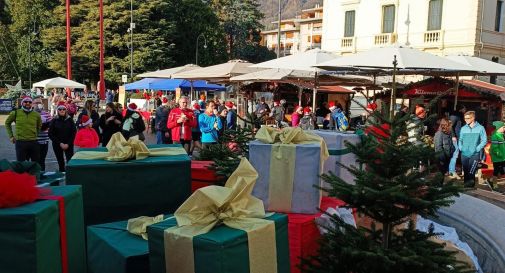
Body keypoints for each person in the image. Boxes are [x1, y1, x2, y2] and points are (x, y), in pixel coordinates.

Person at [5, 96, 42, 162]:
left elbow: (39, 125)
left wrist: (35, 134)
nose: (27, 103)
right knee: (21, 164)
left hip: (33, 141)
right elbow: (7, 123)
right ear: (22, 103)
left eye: (30, 102)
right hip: (20, 142)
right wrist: (11, 136)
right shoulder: (15, 113)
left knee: (35, 163)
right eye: (25, 102)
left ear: (32, 104)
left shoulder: (36, 114)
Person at [458, 111, 487, 187]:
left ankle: (470, 188)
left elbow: (484, 140)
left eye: (467, 118)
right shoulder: (463, 128)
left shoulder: (480, 128)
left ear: (473, 118)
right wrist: (461, 148)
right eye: (465, 118)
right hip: (464, 154)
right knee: (466, 172)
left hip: (475, 155)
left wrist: (477, 149)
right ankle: (466, 190)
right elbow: (460, 140)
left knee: (472, 172)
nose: (465, 120)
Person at [49, 102, 76, 172]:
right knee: (60, 162)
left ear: (66, 110)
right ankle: (62, 175)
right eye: (60, 109)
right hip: (57, 144)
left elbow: (73, 133)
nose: (62, 110)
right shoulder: (54, 120)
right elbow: (51, 134)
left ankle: (71, 176)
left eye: (63, 109)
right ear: (57, 110)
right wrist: (60, 143)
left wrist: (68, 143)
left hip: (68, 144)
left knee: (70, 162)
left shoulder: (70, 120)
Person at [33, 96, 52, 171]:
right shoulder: (30, 114)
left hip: (44, 141)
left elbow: (50, 126)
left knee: (42, 160)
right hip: (34, 141)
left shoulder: (47, 113)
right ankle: (34, 177)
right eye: (36, 103)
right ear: (32, 104)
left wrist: (46, 125)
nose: (38, 104)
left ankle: (42, 175)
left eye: (40, 103)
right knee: (35, 160)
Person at [489, 121, 505, 189]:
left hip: (502, 157)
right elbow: (494, 148)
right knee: (496, 171)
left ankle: (491, 180)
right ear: (499, 128)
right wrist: (500, 154)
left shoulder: (502, 135)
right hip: (497, 157)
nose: (504, 128)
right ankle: (494, 184)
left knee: (501, 171)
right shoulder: (495, 136)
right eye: (503, 127)